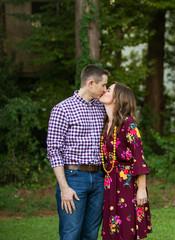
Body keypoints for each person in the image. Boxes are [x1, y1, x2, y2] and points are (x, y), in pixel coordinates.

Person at [47, 64, 110, 240]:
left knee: (91, 234)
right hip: (73, 178)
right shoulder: (62, 109)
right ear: (91, 83)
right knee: (71, 234)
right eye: (103, 85)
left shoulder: (101, 108)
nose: (105, 90)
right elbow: (53, 151)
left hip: (98, 178)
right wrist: (64, 187)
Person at [99, 82, 152, 240]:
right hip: (110, 182)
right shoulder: (106, 124)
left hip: (128, 183)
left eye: (109, 90)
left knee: (127, 230)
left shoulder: (129, 123)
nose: (104, 91)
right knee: (112, 229)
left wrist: (141, 189)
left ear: (117, 98)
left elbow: (139, 157)